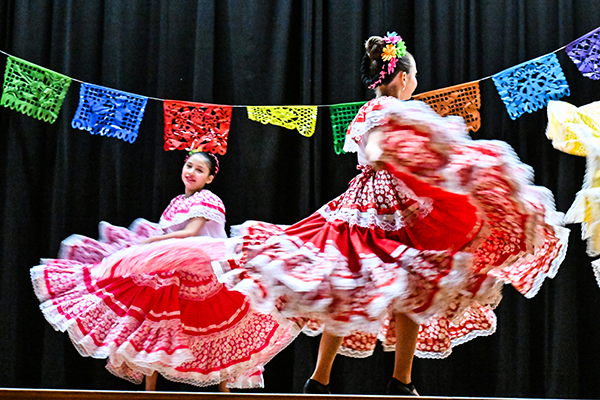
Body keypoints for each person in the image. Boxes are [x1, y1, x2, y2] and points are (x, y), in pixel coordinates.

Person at [214, 32, 569, 396]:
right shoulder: (388, 109)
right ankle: (387, 379)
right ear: (402, 77)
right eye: (413, 77)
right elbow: (379, 149)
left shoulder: (373, 109)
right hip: (386, 204)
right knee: (392, 283)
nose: (415, 84)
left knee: (362, 284)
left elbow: (378, 148)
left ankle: (332, 379)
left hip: (377, 201)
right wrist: (441, 163)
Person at [31, 150, 298, 392]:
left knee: (218, 325)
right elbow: (169, 233)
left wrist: (152, 243)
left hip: (204, 272)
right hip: (175, 269)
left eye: (199, 170)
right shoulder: (176, 202)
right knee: (154, 319)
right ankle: (151, 391)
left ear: (210, 178)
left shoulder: (209, 199)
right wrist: (150, 247)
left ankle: (223, 389)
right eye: (189, 166)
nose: (191, 172)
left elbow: (191, 233)